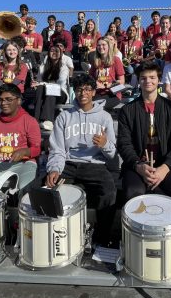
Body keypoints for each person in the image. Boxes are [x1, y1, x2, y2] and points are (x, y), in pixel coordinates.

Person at [45, 75, 118, 245]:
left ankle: (102, 239)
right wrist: (54, 169)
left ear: (93, 92)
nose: (82, 93)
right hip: (69, 163)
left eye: (87, 89)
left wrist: (105, 144)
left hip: (95, 164)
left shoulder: (105, 117)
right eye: (79, 89)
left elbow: (112, 153)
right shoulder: (64, 116)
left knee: (109, 192)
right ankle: (58, 237)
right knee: (50, 189)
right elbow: (58, 149)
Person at [118, 61, 171, 204]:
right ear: (138, 81)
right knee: (133, 193)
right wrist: (139, 166)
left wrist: (164, 168)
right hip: (138, 164)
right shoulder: (127, 110)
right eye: (143, 78)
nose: (148, 81)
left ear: (159, 80)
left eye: (152, 77)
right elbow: (124, 144)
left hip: (166, 163)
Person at [0, 84, 41, 191]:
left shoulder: (29, 121)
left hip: (23, 164)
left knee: (25, 186)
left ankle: (17, 207)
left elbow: (37, 149)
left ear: (19, 101)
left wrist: (24, 152)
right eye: (0, 100)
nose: (4, 103)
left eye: (8, 99)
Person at [30, 45, 70, 131]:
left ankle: (48, 120)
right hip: (46, 93)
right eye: (52, 51)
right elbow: (39, 82)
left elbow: (60, 83)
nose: (54, 53)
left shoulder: (64, 67)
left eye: (57, 51)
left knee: (51, 89)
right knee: (40, 88)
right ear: (48, 53)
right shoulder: (42, 67)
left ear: (60, 54)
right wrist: (39, 84)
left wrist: (43, 84)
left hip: (60, 93)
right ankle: (36, 120)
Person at [89, 37, 125, 110]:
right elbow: (90, 79)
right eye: (98, 45)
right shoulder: (95, 61)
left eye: (103, 45)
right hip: (98, 93)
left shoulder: (116, 60)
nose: (101, 47)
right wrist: (94, 82)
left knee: (96, 106)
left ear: (108, 46)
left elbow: (122, 81)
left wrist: (105, 86)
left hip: (112, 94)